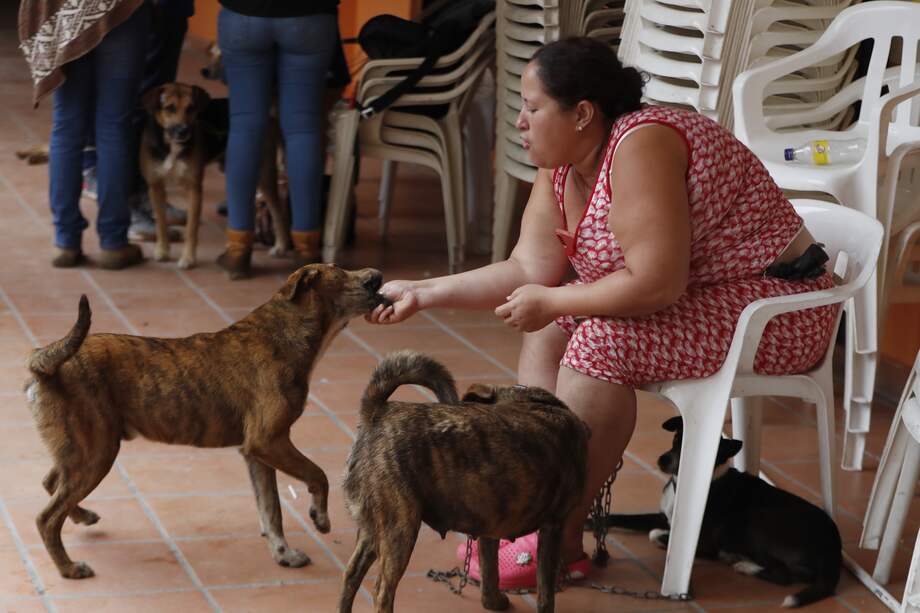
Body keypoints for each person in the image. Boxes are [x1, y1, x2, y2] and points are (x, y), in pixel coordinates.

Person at [367, 37, 839, 588]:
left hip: (777, 308)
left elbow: (656, 283)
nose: (519, 120)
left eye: (533, 107)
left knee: (597, 342)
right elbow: (528, 270)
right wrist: (425, 293)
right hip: (707, 299)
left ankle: (557, 534)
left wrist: (555, 300)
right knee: (550, 329)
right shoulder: (564, 162)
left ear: (582, 113)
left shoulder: (643, 146)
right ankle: (536, 500)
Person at [19, 0, 151, 269]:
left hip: (64, 12)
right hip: (122, 11)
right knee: (114, 126)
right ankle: (113, 242)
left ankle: (65, 241)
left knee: (67, 128)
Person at [215, 0, 339, 279]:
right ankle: (307, 247)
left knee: (245, 127)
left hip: (243, 15)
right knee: (303, 131)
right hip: (309, 19)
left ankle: (238, 248)